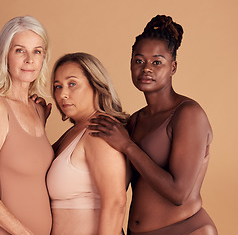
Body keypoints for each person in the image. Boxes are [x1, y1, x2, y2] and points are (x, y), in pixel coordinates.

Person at [89, 15, 218, 235]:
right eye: (139, 61)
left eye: (157, 62)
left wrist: (128, 146)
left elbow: (179, 194)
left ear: (173, 67)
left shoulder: (188, 114)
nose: (146, 68)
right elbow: (116, 183)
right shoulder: (135, 121)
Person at [0, 15, 53, 235]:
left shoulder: (37, 109)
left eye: (37, 51)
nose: (29, 60)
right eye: (19, 50)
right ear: (4, 55)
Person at [46, 52, 130, 235]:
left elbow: (116, 202)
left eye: (72, 84)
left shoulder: (99, 130)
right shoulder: (75, 131)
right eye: (57, 86)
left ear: (96, 85)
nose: (63, 94)